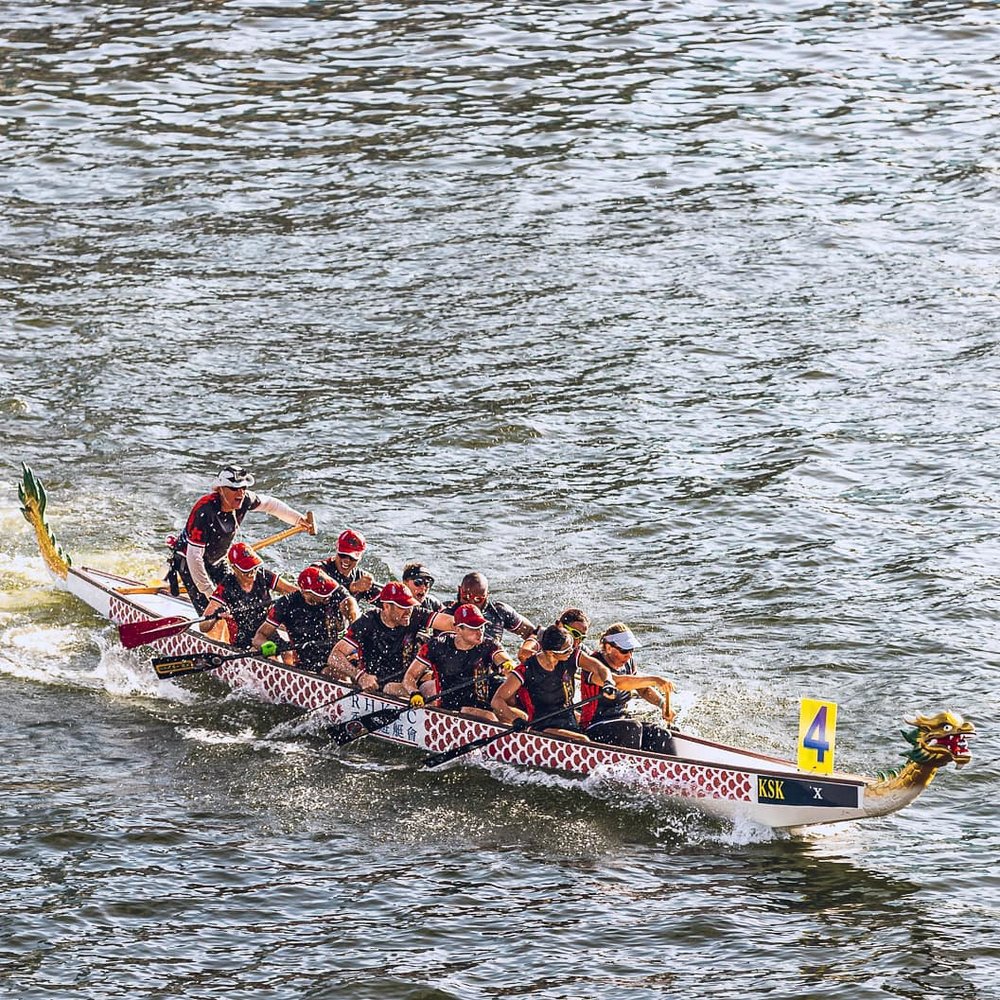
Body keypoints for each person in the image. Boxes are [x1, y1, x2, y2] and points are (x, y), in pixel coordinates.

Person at [170, 464, 311, 613]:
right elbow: (194, 558)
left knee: (240, 599)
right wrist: (210, 593)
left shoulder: (245, 500)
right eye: (234, 488)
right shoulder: (205, 511)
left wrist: (298, 519)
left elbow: (271, 505)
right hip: (188, 561)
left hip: (217, 560)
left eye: (243, 488)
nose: (241, 493)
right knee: (214, 611)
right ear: (221, 489)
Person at [392, 604, 516, 721]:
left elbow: (502, 657)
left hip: (482, 702)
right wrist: (415, 693)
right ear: (458, 629)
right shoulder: (437, 646)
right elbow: (410, 675)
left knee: (521, 716)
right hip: (452, 707)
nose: (480, 632)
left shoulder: (489, 645)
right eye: (474, 628)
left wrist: (507, 664)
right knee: (490, 717)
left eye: (481, 626)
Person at [491, 624, 614, 741]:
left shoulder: (571, 656)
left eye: (571, 647)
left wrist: (608, 682)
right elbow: (497, 701)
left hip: (568, 717)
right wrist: (515, 720)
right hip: (542, 725)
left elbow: (600, 668)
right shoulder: (526, 669)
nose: (571, 651)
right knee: (583, 740)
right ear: (550, 653)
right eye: (566, 650)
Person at [324, 582, 454, 691]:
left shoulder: (415, 615)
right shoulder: (367, 622)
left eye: (410, 605)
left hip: (410, 680)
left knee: (435, 686)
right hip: (379, 685)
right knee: (390, 688)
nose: (408, 611)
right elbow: (335, 656)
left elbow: (449, 623)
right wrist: (361, 677)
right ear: (386, 606)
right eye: (403, 607)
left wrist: (472, 627)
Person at [580, 623, 676, 755]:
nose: (629, 655)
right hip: (595, 725)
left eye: (631, 650)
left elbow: (642, 689)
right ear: (608, 648)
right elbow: (619, 683)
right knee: (632, 728)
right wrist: (655, 680)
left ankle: (669, 770)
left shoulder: (628, 663)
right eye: (624, 651)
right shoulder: (594, 664)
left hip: (621, 721)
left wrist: (663, 704)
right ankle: (630, 771)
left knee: (661, 734)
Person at [251, 567, 359, 673]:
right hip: (309, 659)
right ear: (306, 593)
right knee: (340, 676)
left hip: (338, 650)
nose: (329, 596)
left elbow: (351, 604)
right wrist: (270, 651)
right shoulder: (286, 604)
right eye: (322, 593)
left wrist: (356, 629)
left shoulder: (335, 591)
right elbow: (259, 637)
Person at [198, 542, 296, 647]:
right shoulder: (226, 587)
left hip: (266, 630)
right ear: (234, 568)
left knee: (288, 654)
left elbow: (293, 591)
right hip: (243, 638)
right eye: (246, 569)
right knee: (270, 656)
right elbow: (203, 626)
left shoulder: (263, 576)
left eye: (254, 567)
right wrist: (216, 616)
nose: (252, 572)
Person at [444, 572, 536, 647]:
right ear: (459, 590)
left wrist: (527, 648)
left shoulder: (499, 612)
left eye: (478, 600)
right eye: (466, 597)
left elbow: (535, 633)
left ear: (487, 596)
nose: (471, 604)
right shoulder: (445, 611)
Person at [312, 529, 382, 604]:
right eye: (343, 555)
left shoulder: (361, 577)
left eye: (352, 557)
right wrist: (352, 588)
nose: (346, 560)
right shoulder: (319, 570)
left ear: (360, 557)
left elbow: (385, 604)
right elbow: (317, 599)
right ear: (337, 549)